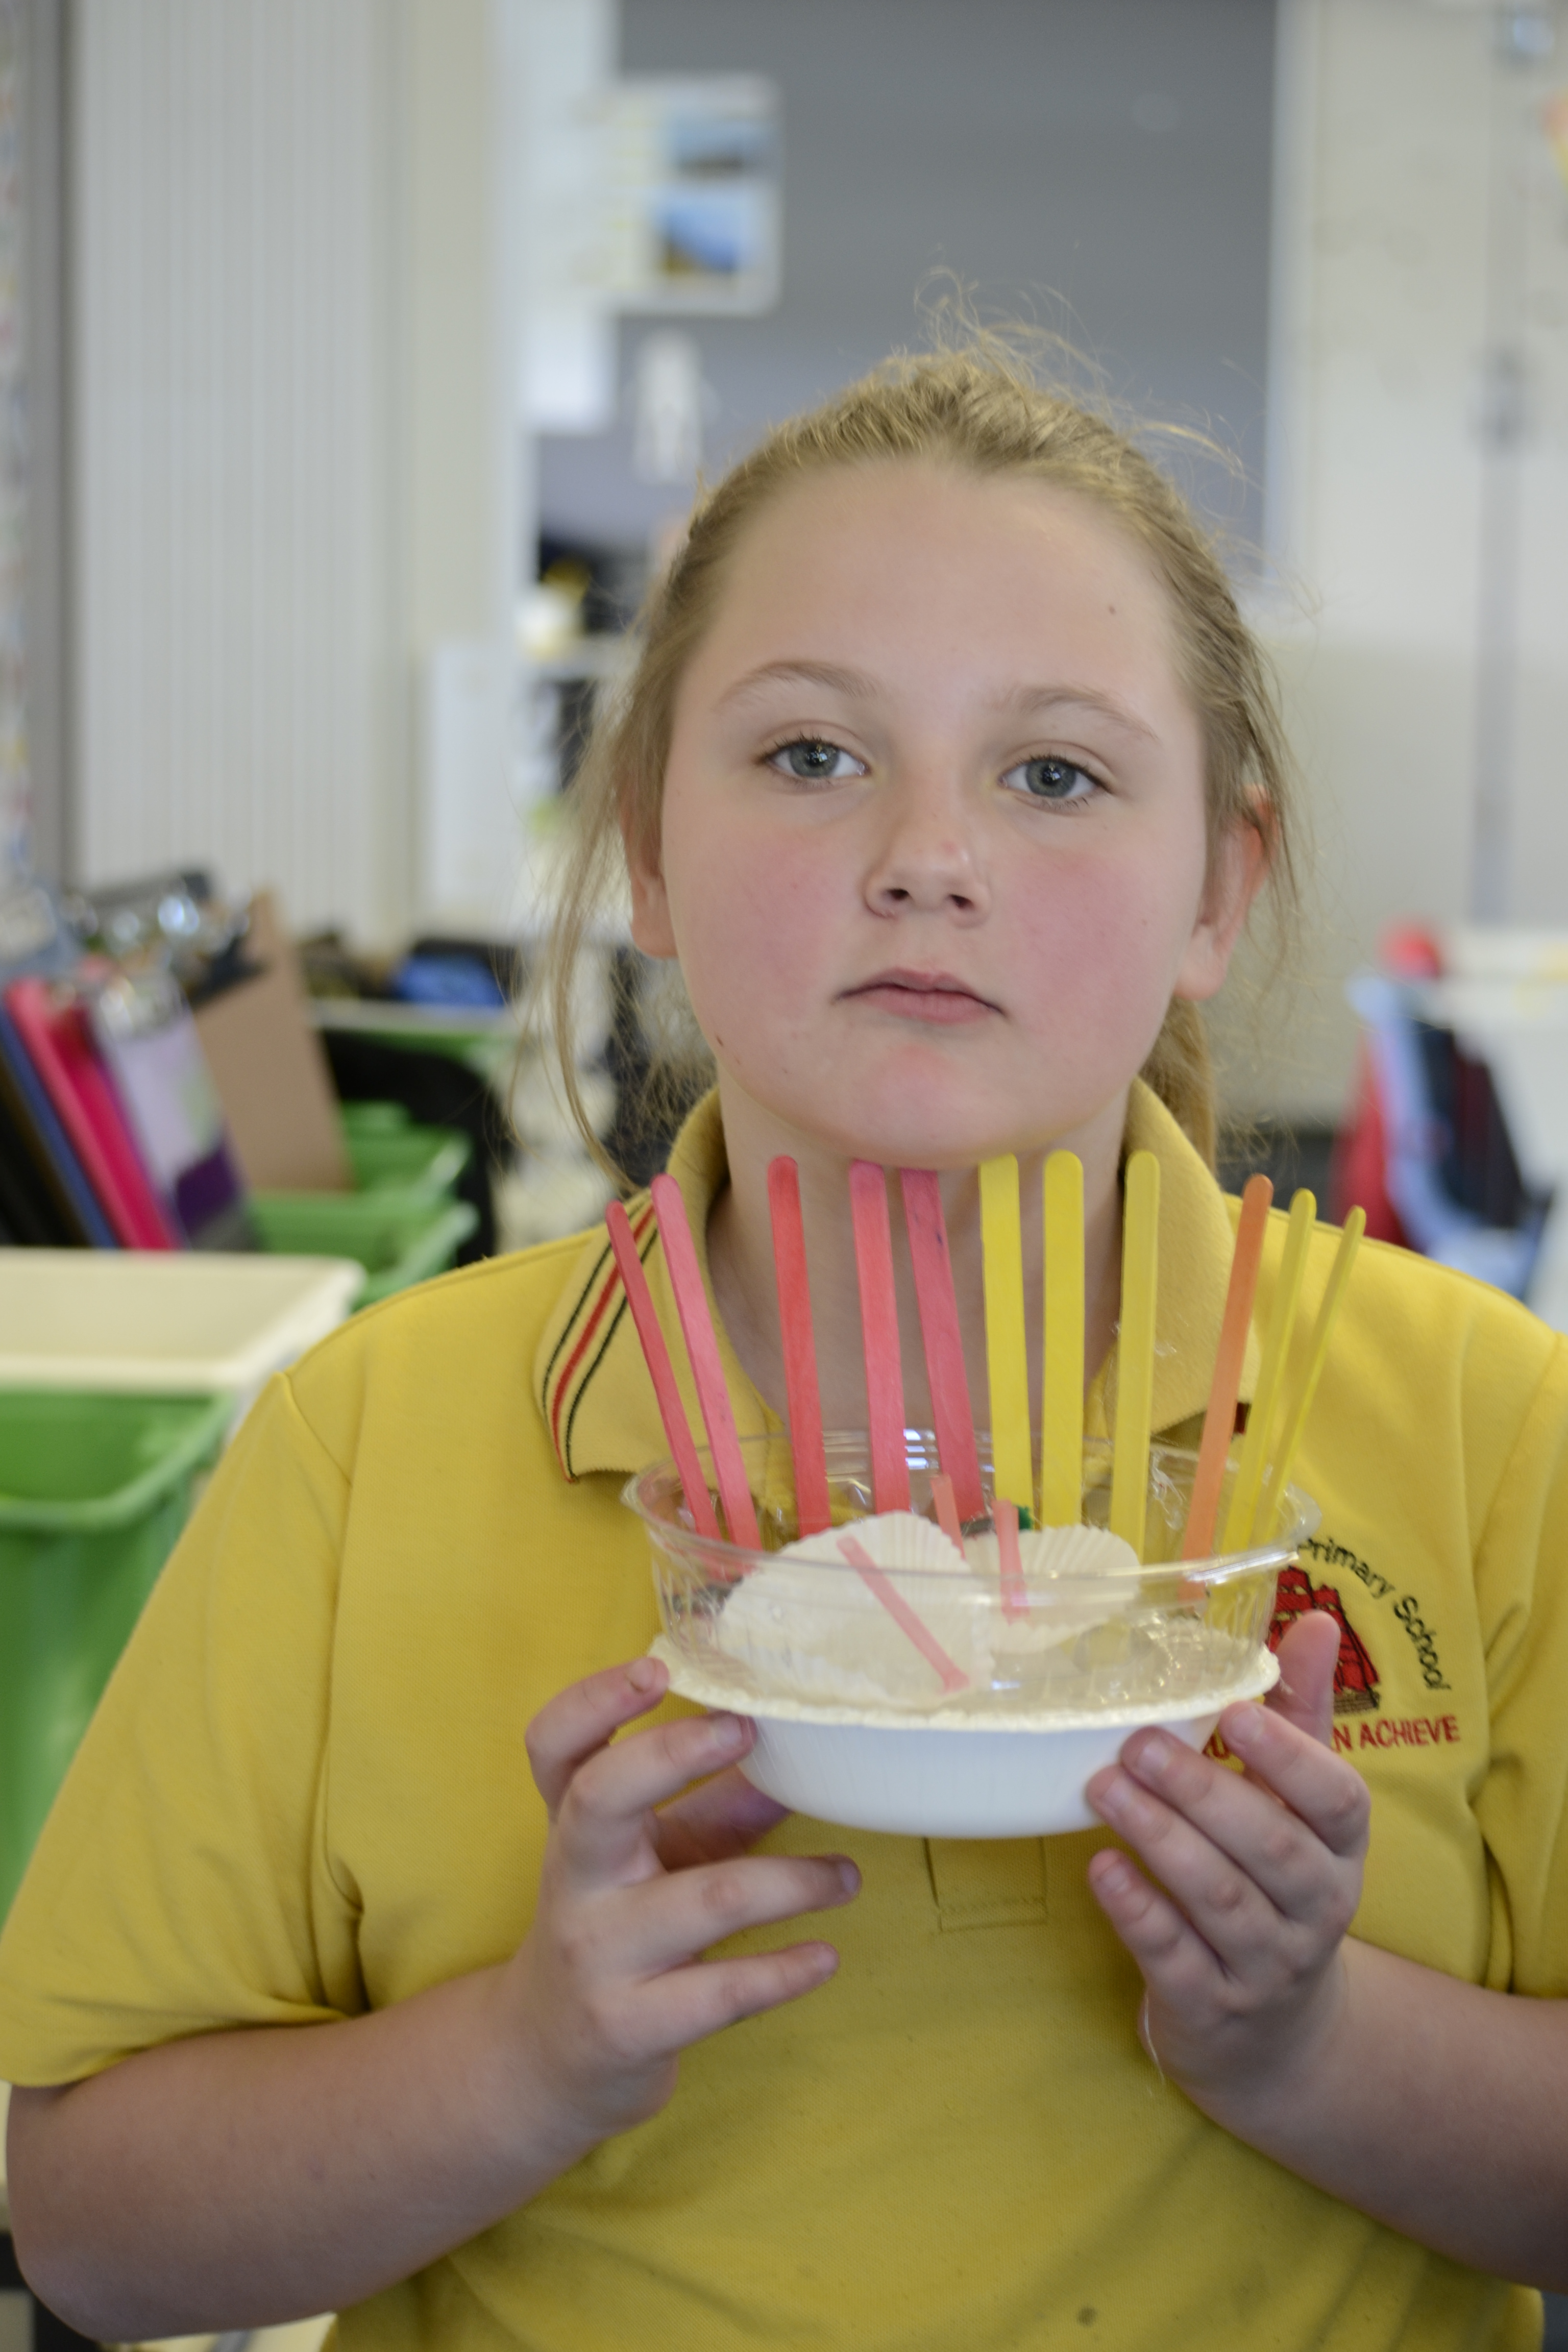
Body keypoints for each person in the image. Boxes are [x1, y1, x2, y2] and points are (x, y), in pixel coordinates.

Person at [4, 344, 1567, 2352]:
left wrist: (1307, 2039)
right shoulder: (369, 1442)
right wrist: (527, 2056)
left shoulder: (1487, 1427)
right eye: (815, 754)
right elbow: (95, 2232)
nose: (929, 854)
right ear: (649, 850)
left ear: (1218, 889)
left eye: (1056, 774)